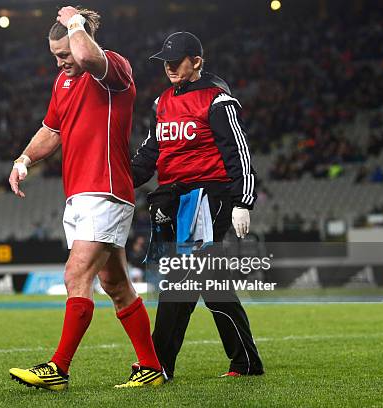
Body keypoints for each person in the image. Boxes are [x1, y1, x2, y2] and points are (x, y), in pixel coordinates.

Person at [8, 6, 165, 390]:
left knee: (75, 275)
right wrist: (24, 158)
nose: (61, 62)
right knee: (117, 285)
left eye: (64, 54)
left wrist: (76, 22)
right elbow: (50, 130)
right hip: (78, 195)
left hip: (106, 190)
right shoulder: (62, 83)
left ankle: (58, 369)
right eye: (55, 56)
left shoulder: (112, 69)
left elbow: (85, 55)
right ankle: (151, 367)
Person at [131, 32, 264, 378]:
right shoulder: (162, 103)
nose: (170, 67)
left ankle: (158, 364)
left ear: (197, 62)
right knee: (208, 283)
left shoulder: (218, 99)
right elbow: (150, 152)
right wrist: (117, 179)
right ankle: (245, 361)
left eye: (177, 62)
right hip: (176, 198)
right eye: (166, 62)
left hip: (209, 197)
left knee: (181, 278)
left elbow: (238, 150)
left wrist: (242, 201)